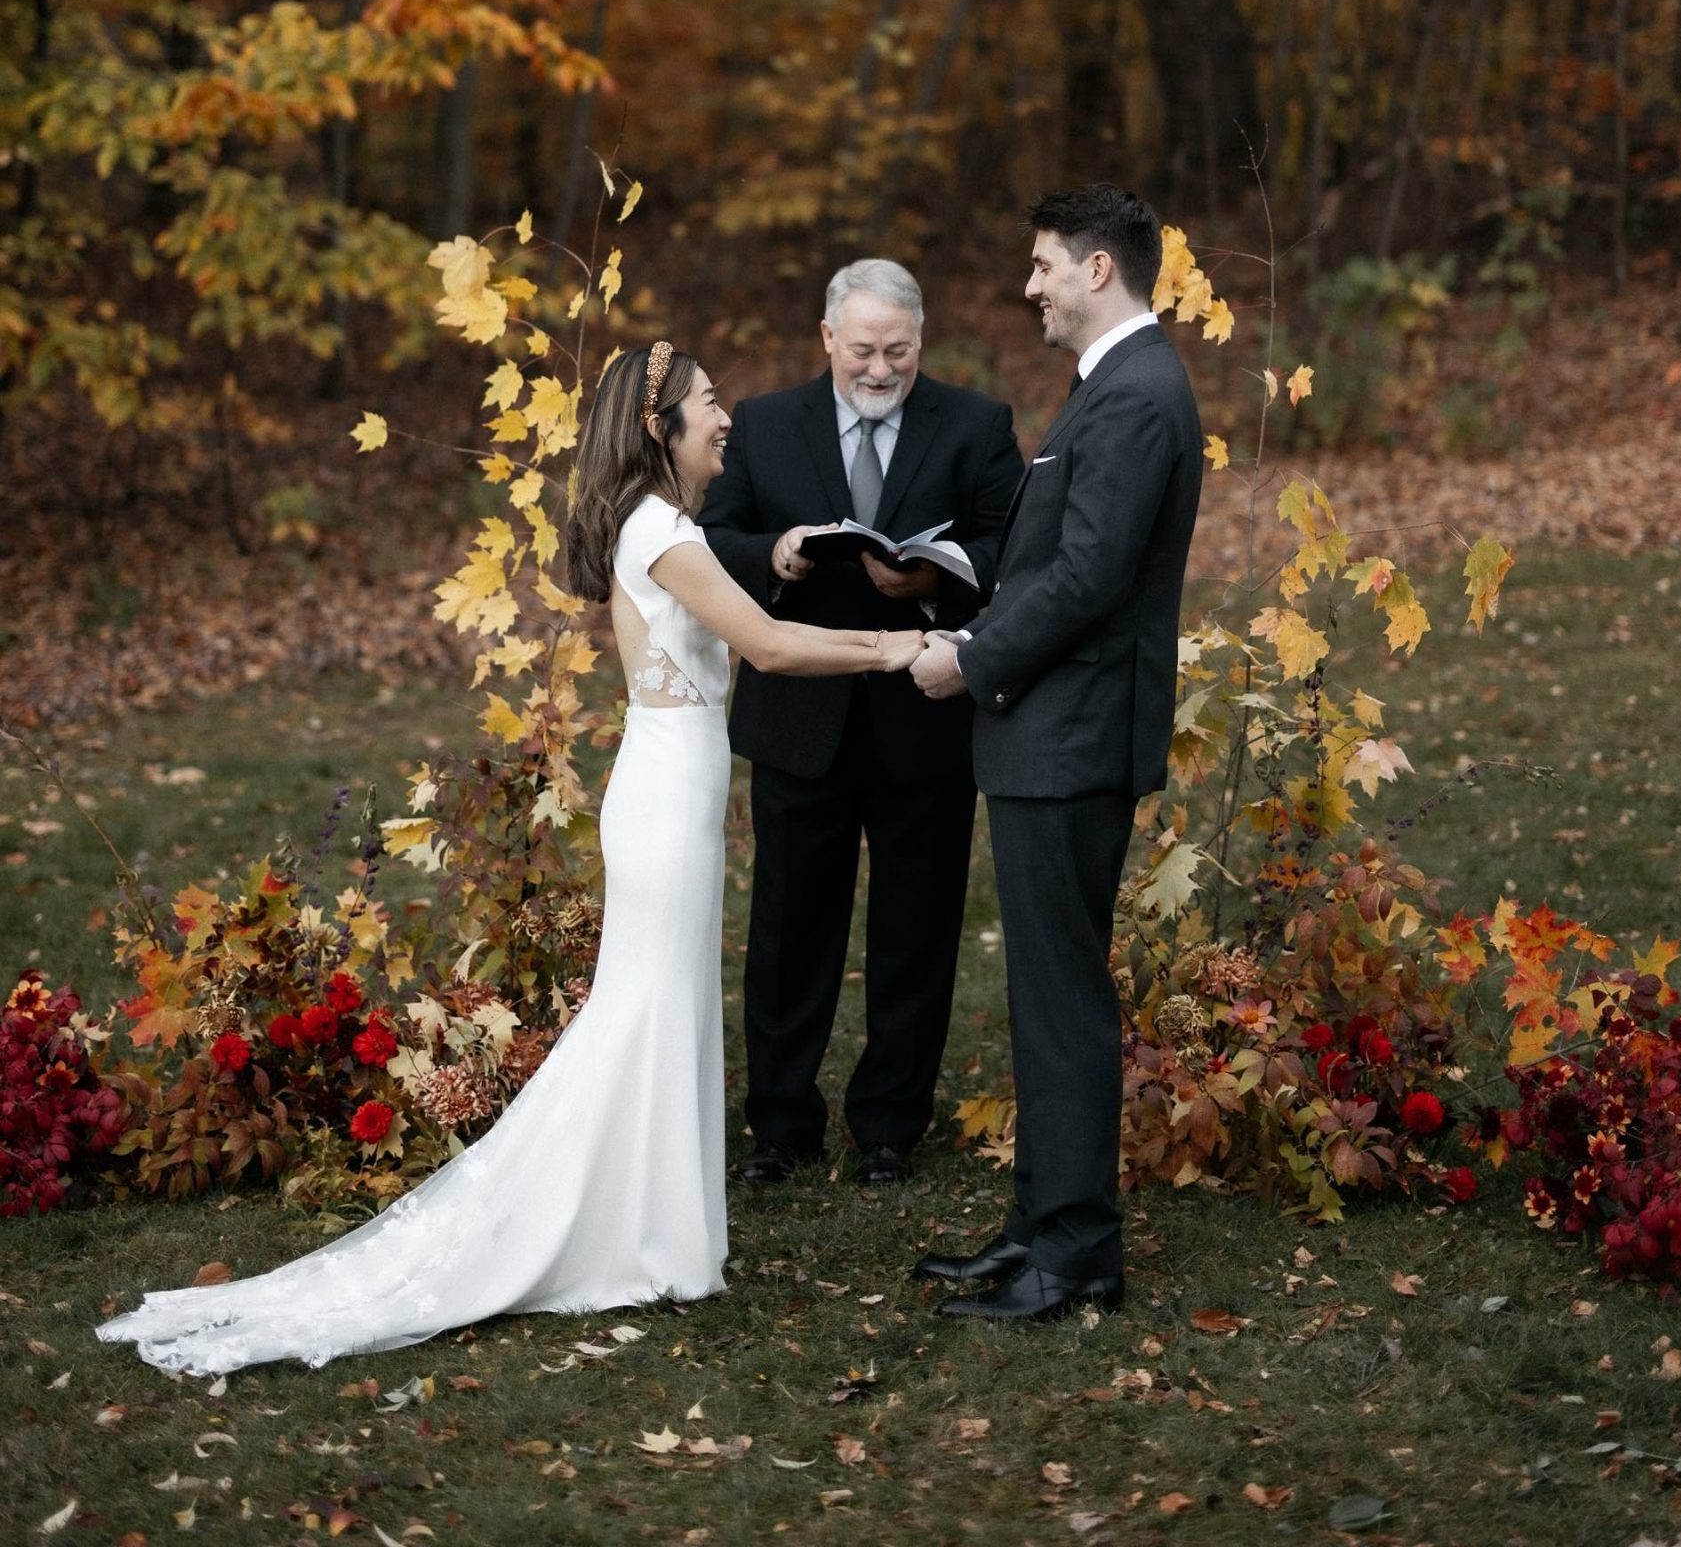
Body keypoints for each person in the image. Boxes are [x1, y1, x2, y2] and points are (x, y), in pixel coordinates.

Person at [96, 342, 923, 1375]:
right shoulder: (664, 528)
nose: (728, 416)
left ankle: (659, 1235)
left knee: (660, 1008)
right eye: (710, 403)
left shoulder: (668, 527)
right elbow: (766, 643)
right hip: (664, 799)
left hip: (673, 791)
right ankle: (636, 1239)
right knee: (645, 1011)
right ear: (659, 425)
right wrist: (895, 649)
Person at [909, 185, 1202, 1321]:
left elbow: (1088, 579)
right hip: (1055, 732)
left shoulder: (1134, 395)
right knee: (1044, 991)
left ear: (1096, 270)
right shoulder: (1113, 387)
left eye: (1040, 265)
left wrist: (969, 661)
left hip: (1069, 737)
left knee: (1064, 995)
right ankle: (1040, 1222)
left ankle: (1075, 1253)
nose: (1027, 285)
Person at [701, 260, 1022, 1187]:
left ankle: (889, 1124)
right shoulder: (764, 424)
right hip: (800, 718)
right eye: (864, 351)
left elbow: (1014, 547)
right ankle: (779, 1123)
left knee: (916, 929)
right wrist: (779, 553)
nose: (880, 370)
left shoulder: (975, 424)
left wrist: (935, 575)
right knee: (789, 926)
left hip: (923, 715)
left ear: (921, 341)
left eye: (899, 352)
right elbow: (712, 540)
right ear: (827, 340)